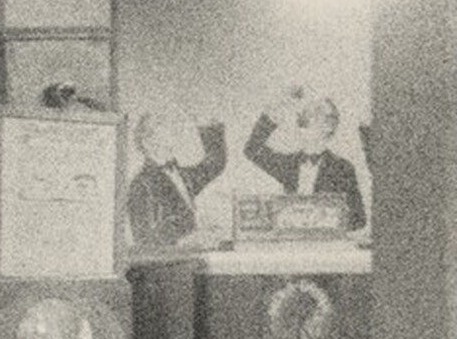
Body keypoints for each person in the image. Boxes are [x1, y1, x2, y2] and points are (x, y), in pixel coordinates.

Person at [243, 88, 366, 232]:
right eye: (301, 117)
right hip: (293, 248)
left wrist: (327, 220)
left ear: (329, 126)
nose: (301, 123)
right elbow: (252, 150)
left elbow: (359, 220)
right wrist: (275, 112)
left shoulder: (343, 168)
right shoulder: (288, 164)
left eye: (311, 116)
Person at [126, 114, 227, 247]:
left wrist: (209, 126)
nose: (173, 131)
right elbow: (144, 239)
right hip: (168, 265)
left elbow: (215, 163)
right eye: (162, 124)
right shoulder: (141, 184)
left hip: (188, 260)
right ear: (147, 142)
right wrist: (186, 241)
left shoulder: (182, 175)